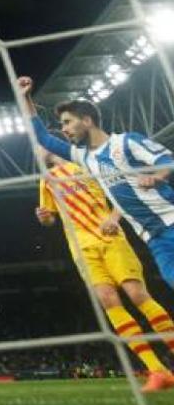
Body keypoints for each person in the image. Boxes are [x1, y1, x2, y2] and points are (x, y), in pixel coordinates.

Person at [36, 148, 174, 393]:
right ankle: (157, 371)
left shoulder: (86, 166)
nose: (36, 151)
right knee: (108, 301)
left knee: (137, 295)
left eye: (39, 146)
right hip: (81, 248)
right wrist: (44, 217)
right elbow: (50, 219)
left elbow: (122, 193)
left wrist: (113, 218)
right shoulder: (46, 180)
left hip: (110, 238)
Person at [20, 76, 174, 288]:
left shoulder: (127, 141)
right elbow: (43, 138)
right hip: (152, 237)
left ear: (87, 120)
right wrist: (25, 98)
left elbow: (167, 160)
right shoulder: (83, 157)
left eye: (67, 122)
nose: (64, 129)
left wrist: (157, 177)